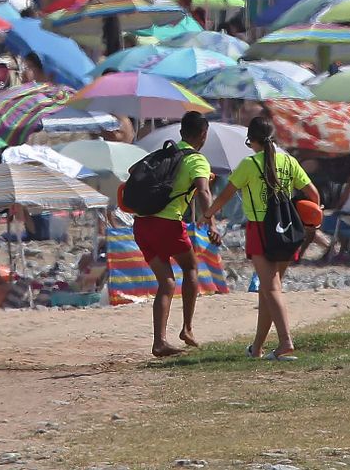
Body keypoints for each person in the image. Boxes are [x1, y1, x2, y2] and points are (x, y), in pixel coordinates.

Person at [204, 115, 321, 361]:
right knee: (268, 290)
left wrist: (207, 214)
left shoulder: (249, 164)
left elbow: (225, 195)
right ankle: (257, 347)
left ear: (251, 140)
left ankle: (286, 342)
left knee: (270, 288)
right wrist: (309, 219)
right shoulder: (289, 161)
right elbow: (313, 194)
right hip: (287, 228)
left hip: (260, 229)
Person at [133, 110, 214, 358]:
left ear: (181, 132)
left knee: (167, 282)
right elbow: (203, 192)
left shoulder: (165, 153)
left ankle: (159, 342)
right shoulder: (197, 160)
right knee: (190, 268)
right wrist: (211, 222)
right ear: (203, 134)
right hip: (167, 224)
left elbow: (136, 173)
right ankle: (187, 329)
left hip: (141, 224)